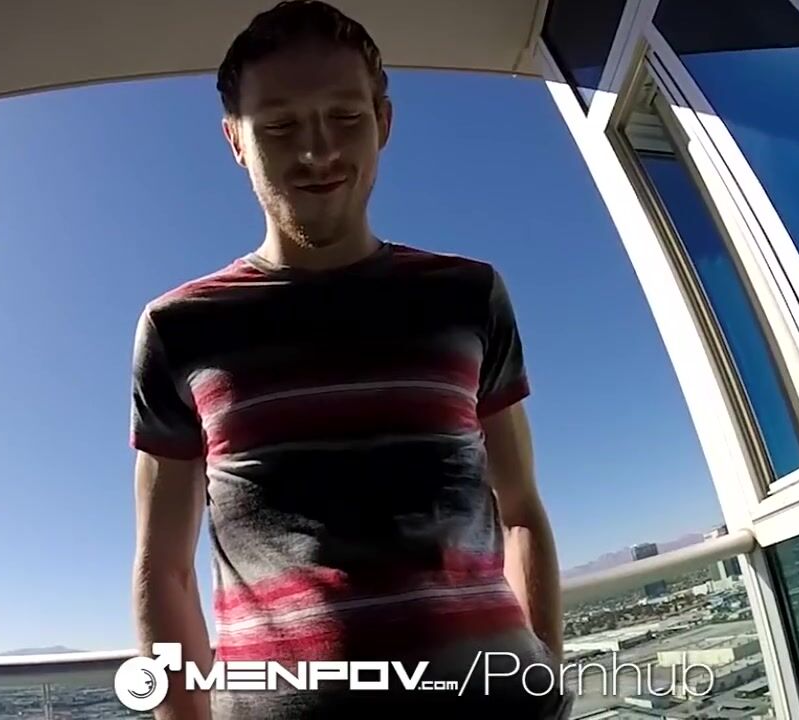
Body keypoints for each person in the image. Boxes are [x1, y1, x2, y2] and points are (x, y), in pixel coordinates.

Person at [129, 2, 569, 717]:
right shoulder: (178, 328)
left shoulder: (468, 295)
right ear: (236, 140)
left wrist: (545, 672)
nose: (317, 152)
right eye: (279, 126)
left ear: (383, 123)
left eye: (345, 117)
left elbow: (520, 509)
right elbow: (165, 569)